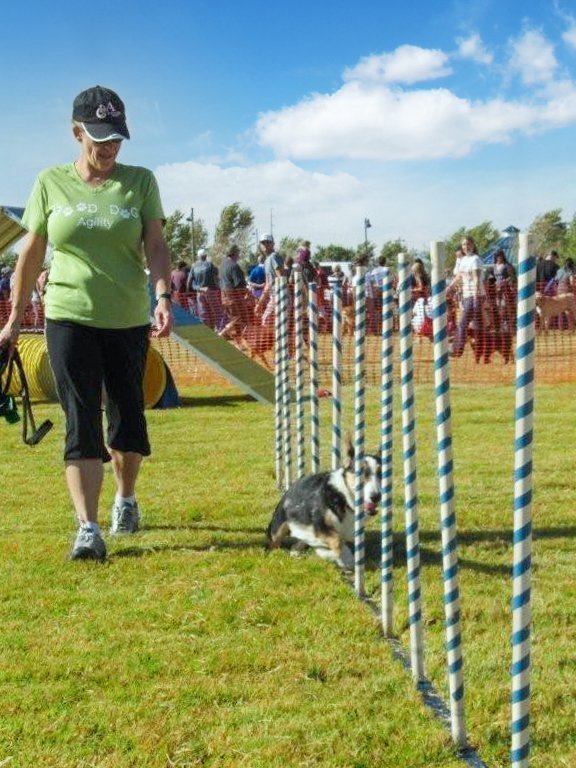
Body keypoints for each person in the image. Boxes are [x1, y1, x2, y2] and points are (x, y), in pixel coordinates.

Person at [0, 85, 173, 562]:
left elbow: (156, 245)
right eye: (99, 139)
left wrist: (161, 295)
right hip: (67, 316)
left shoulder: (140, 182)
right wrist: (14, 318)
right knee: (80, 416)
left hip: (126, 318)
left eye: (116, 138)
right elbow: (31, 253)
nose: (109, 148)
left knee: (127, 413)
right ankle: (88, 528)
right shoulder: (50, 182)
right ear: (77, 133)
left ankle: (126, 498)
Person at [448, 235, 484, 361]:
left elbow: (476, 278)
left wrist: (475, 295)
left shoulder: (475, 260)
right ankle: (482, 349)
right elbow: (459, 277)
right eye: (463, 244)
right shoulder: (463, 260)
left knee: (463, 323)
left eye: (468, 244)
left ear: (473, 245)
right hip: (467, 296)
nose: (465, 246)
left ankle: (457, 350)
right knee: (477, 326)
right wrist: (449, 288)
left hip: (475, 296)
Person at [218, 244, 248, 347]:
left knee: (235, 320)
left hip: (224, 297)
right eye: (238, 252)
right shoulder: (234, 266)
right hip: (235, 297)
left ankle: (240, 343)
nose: (239, 255)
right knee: (238, 319)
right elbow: (239, 284)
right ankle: (223, 333)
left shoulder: (222, 265)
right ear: (235, 253)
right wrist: (246, 294)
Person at [188, 248, 220, 329]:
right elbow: (217, 276)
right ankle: (218, 330)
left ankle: (207, 331)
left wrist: (189, 292)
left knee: (203, 314)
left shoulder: (194, 266)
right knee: (215, 312)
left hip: (199, 293)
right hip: (211, 292)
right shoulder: (210, 265)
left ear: (198, 256)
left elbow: (189, 281)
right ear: (206, 256)